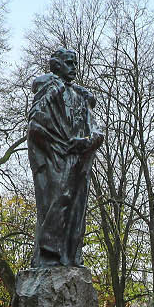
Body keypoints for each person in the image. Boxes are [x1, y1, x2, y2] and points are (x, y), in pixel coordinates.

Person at [27, 48, 104, 266]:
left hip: (80, 162)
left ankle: (70, 256)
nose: (74, 68)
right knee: (58, 201)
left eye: (75, 63)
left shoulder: (80, 97)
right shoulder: (50, 93)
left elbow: (97, 132)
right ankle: (49, 253)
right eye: (69, 63)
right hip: (57, 161)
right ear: (57, 66)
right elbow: (35, 126)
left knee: (77, 211)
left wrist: (86, 142)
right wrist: (56, 148)